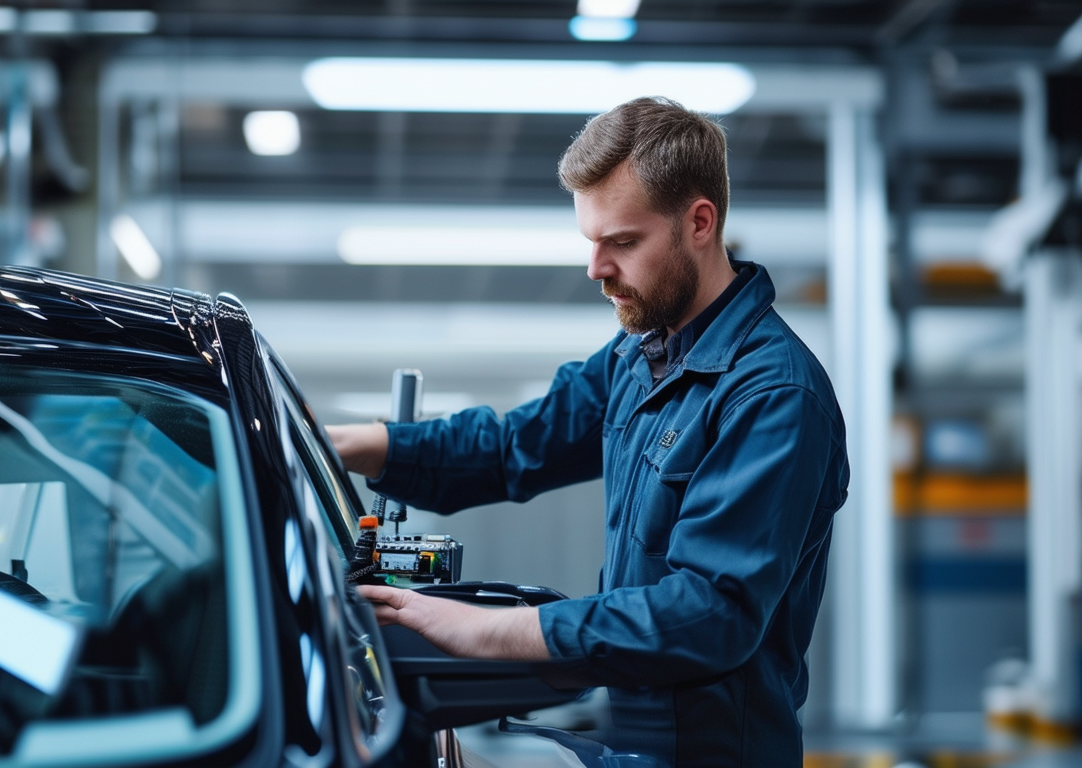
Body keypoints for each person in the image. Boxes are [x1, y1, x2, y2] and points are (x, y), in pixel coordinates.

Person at [327, 96, 849, 768]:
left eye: (622, 242)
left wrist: (485, 630)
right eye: (590, 241)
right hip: (628, 736)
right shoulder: (641, 356)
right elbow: (518, 445)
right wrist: (351, 442)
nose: (596, 268)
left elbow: (707, 615)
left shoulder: (773, 395)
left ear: (699, 222)